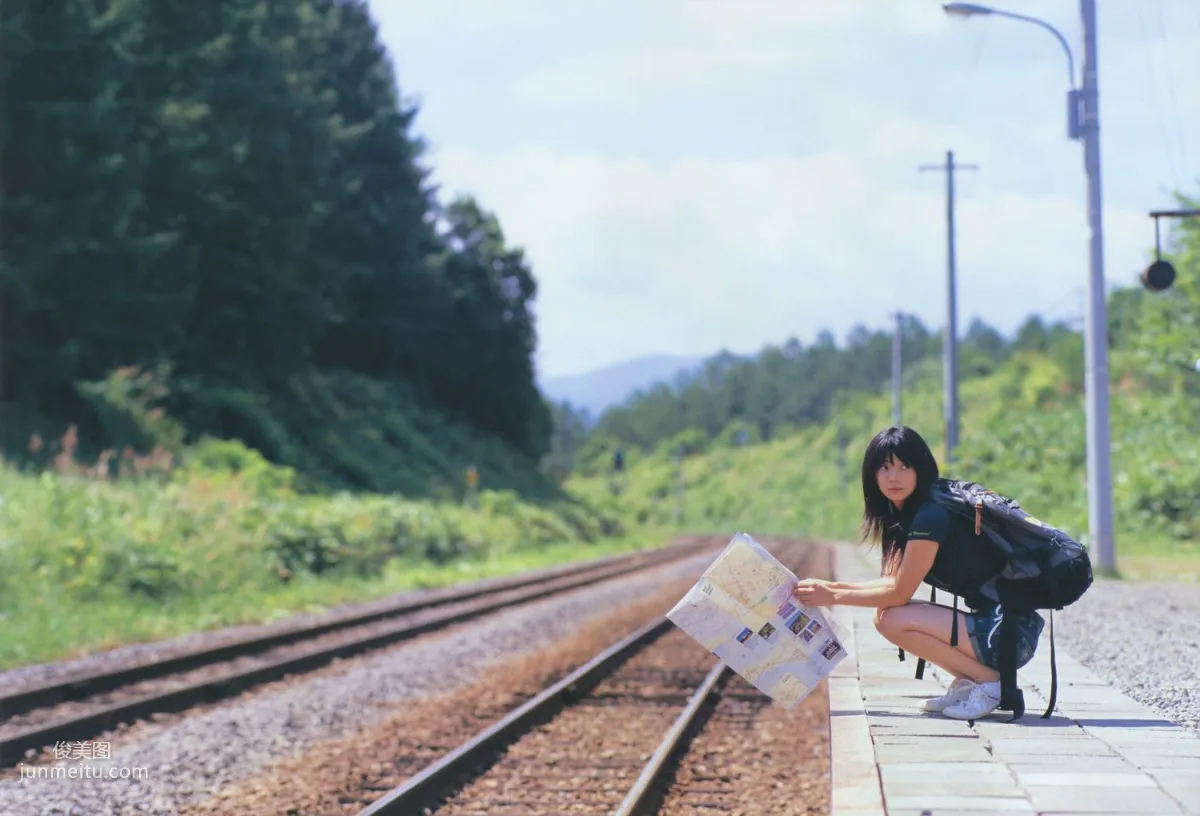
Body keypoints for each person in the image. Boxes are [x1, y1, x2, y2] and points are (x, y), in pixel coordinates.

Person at [792, 425, 1044, 720]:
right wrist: (830, 588)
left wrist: (832, 595)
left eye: (903, 466)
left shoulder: (929, 515)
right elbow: (892, 582)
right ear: (871, 475)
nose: (893, 477)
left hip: (1008, 635)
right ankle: (972, 682)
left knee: (892, 618)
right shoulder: (909, 513)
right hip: (999, 629)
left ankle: (990, 684)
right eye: (884, 467)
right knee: (886, 614)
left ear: (920, 470)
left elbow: (900, 593)